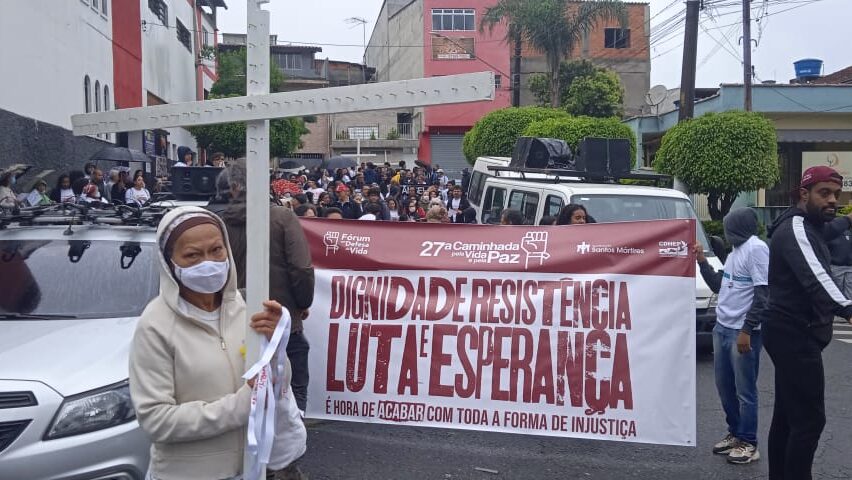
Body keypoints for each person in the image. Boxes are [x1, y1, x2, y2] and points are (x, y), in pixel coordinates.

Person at [129, 207, 306, 480]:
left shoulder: (248, 308)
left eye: (216, 250)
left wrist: (276, 348)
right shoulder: (155, 326)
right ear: (169, 262)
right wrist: (242, 404)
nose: (208, 263)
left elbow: (276, 382)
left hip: (254, 468)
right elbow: (156, 421)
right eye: (192, 255)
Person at [764, 166, 852, 479]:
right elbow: (816, 278)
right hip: (793, 334)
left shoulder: (811, 225)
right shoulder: (797, 229)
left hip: (791, 332)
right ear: (804, 194)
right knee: (810, 422)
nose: (832, 200)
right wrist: (846, 307)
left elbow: (830, 229)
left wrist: (849, 218)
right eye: (824, 193)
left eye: (836, 195)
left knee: (788, 417)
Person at [218, 163, 315, 416]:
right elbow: (301, 268)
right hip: (282, 321)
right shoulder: (282, 218)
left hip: (231, 323)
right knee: (292, 393)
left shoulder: (216, 222)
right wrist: (303, 302)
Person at [693, 208, 768, 465]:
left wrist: (747, 330)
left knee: (745, 391)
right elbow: (720, 286)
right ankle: (735, 433)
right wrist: (702, 261)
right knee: (725, 387)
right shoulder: (737, 251)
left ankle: (749, 442)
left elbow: (763, 295)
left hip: (742, 332)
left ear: (739, 227)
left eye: (729, 227)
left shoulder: (756, 249)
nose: (726, 232)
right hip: (722, 327)